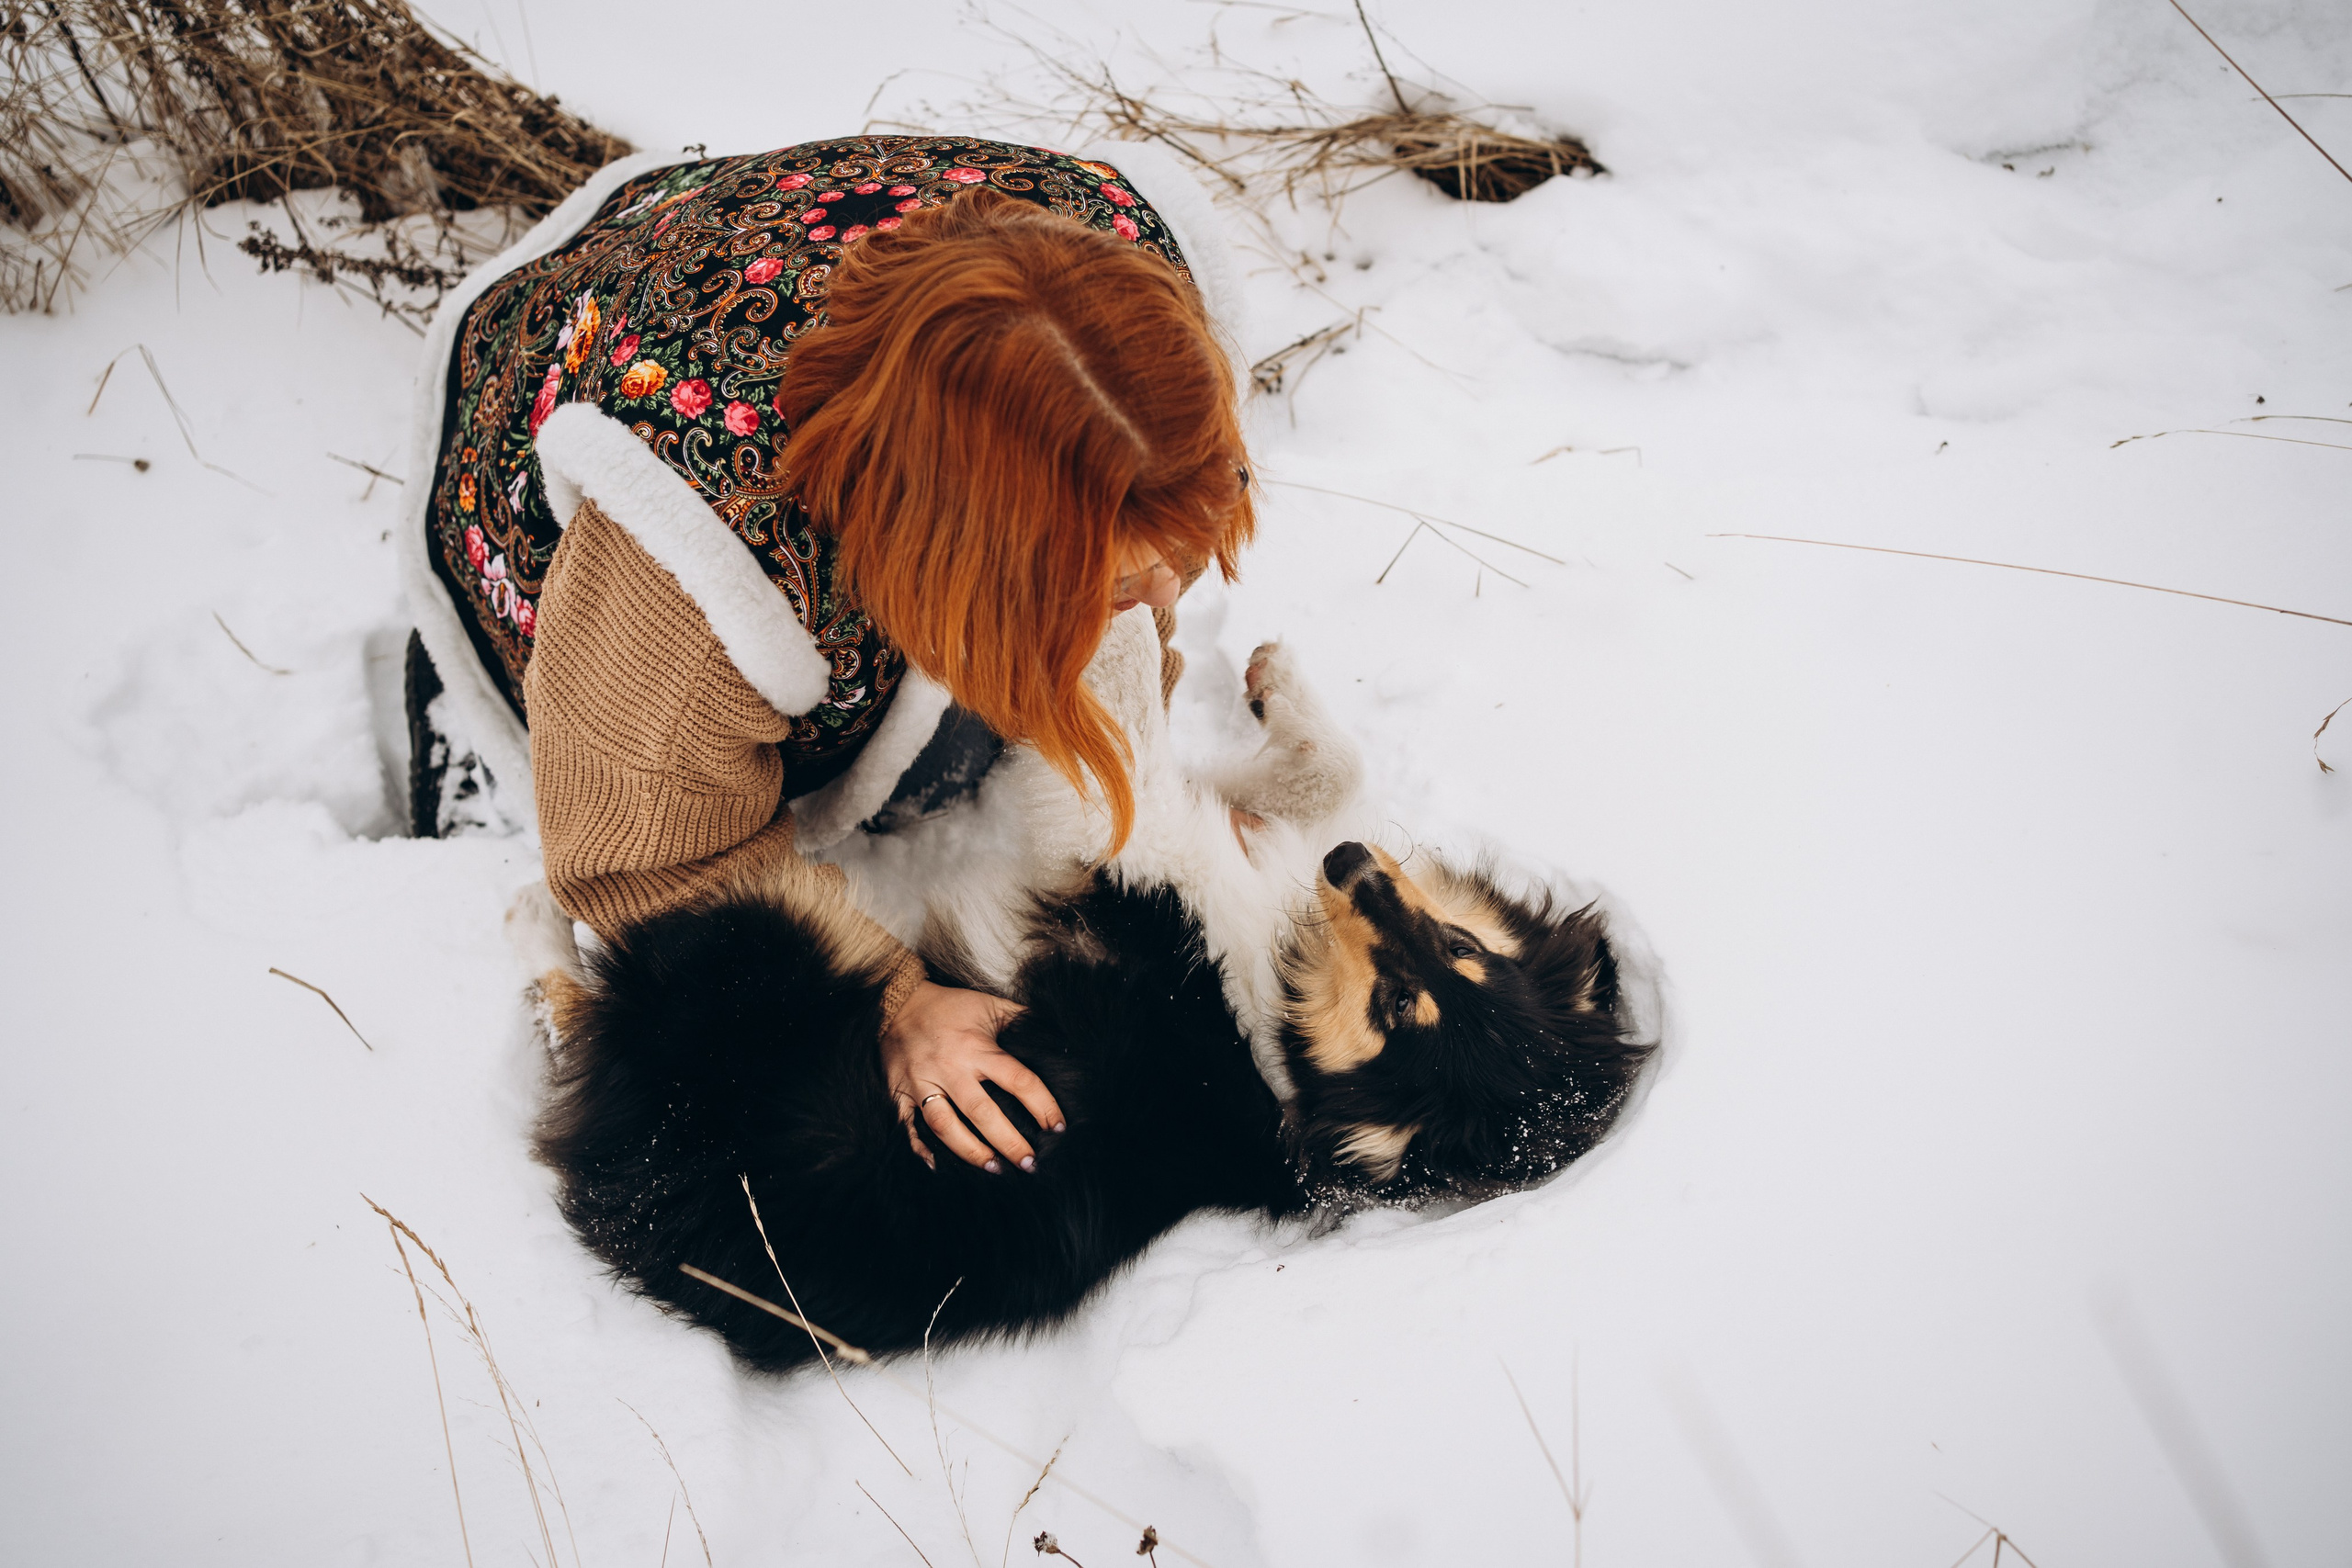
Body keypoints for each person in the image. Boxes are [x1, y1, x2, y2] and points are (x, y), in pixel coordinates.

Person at [399, 134, 1254, 1178]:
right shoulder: (691, 570)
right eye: (1120, 578)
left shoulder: (1122, 322)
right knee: (639, 785)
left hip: (810, 284)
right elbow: (647, 860)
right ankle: (462, 686)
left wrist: (1151, 798)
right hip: (571, 443)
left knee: (970, 720)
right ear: (953, 554)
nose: (1169, 593)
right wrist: (889, 995)